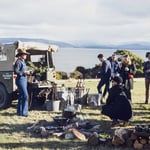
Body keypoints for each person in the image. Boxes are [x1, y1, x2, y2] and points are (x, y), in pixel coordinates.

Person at [14, 48, 31, 117]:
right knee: (25, 95)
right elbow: (16, 71)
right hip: (20, 80)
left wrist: (28, 72)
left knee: (21, 96)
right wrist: (24, 72)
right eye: (25, 54)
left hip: (23, 80)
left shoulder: (23, 61)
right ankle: (24, 113)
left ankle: (19, 112)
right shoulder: (18, 62)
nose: (26, 56)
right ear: (21, 55)